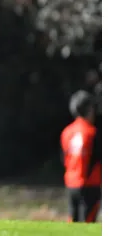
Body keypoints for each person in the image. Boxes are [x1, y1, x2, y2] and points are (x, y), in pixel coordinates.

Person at [60, 90, 102, 223]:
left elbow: (64, 158)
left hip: (71, 183)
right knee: (87, 223)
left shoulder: (67, 132)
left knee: (73, 223)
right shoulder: (92, 133)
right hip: (90, 184)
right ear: (89, 109)